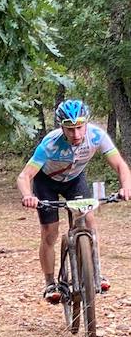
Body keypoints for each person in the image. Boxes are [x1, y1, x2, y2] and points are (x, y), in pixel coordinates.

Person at [17, 98, 131, 303]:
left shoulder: (97, 136)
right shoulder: (50, 143)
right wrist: (28, 196)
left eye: (79, 128)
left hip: (75, 181)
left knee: (89, 221)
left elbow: (121, 166)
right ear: (61, 127)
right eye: (70, 129)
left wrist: (126, 187)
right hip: (46, 183)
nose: (76, 134)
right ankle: (50, 283)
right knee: (49, 233)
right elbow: (24, 176)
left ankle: (95, 273)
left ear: (86, 124)